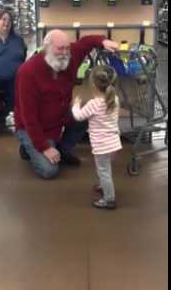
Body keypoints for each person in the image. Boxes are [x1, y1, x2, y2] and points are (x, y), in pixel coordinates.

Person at [14, 29, 119, 179]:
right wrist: (44, 147)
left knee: (83, 117)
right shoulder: (27, 72)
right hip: (34, 127)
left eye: (67, 48)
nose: (65, 53)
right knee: (49, 171)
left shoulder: (70, 56)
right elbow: (28, 117)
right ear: (46, 47)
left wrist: (103, 41)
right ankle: (28, 147)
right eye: (60, 48)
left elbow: (86, 42)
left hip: (59, 117)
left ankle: (62, 150)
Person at [72, 65, 122, 209]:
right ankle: (103, 185)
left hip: (101, 146)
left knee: (104, 171)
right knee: (105, 169)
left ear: (93, 84)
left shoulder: (94, 104)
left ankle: (109, 199)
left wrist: (76, 104)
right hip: (114, 143)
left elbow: (78, 116)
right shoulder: (114, 99)